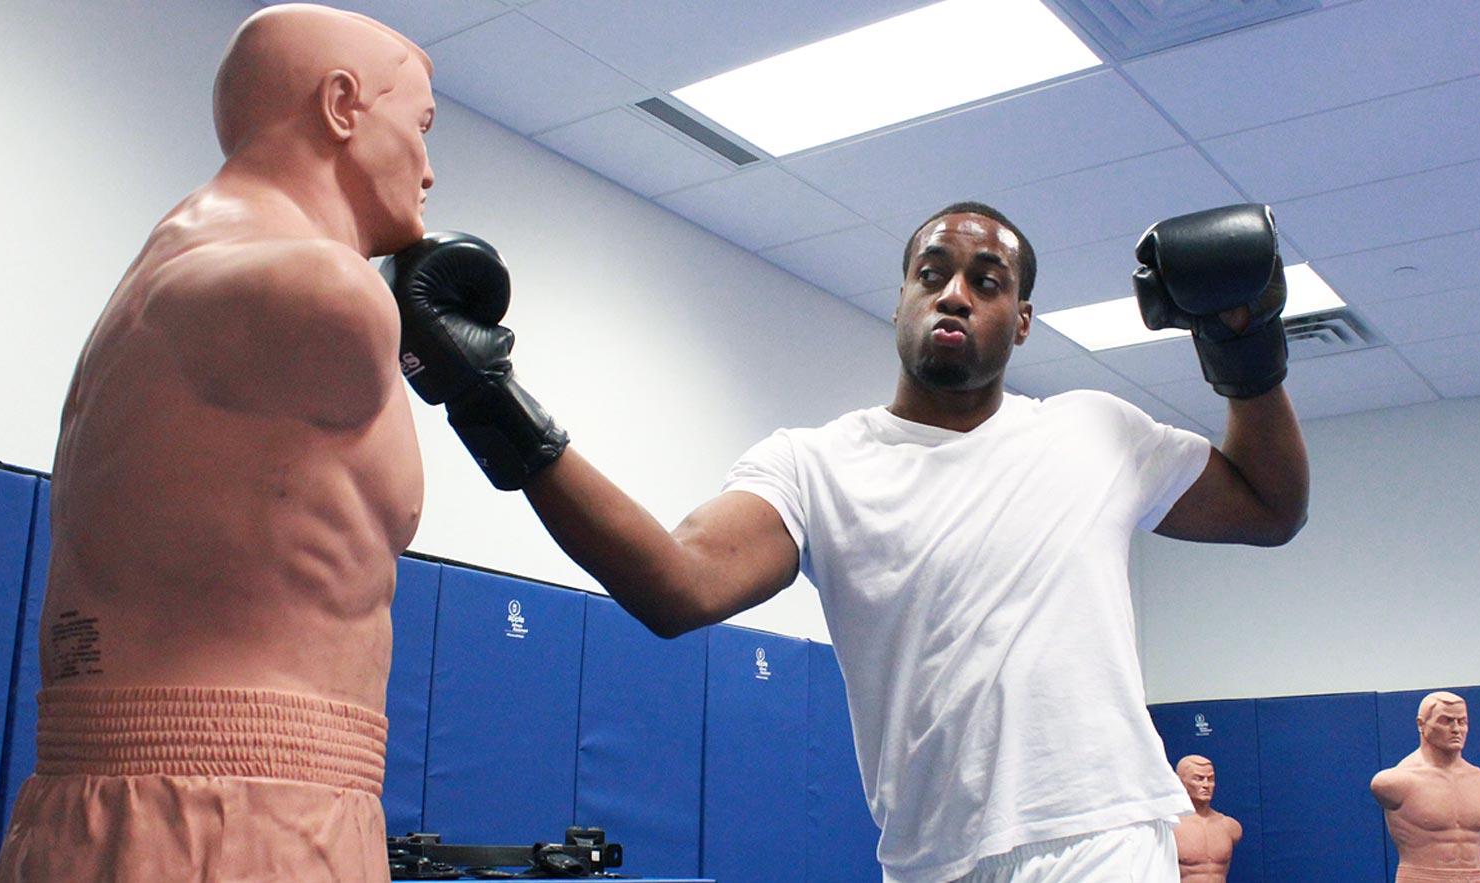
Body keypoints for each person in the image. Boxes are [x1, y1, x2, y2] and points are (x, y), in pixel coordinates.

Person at [391, 201, 1308, 882]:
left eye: (988, 281)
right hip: (929, 859)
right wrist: (483, 395)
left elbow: (1270, 505)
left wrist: (1245, 346)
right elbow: (675, 586)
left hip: (1099, 836)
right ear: (903, 296)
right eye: (933, 271)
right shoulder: (816, 465)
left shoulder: (1092, 430)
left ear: (1021, 321)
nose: (955, 290)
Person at [0, 5, 436, 881]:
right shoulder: (322, 294)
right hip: (238, 818)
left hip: (132, 806)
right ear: (343, 105)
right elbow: (342, 322)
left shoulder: (169, 271)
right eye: (419, 127)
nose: (429, 170)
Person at [1370, 692, 1480, 883]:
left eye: (1462, 721)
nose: (1456, 729)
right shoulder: (1395, 783)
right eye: (1446, 721)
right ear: (1421, 724)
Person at [1172, 755, 1242, 882]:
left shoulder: (1230, 827)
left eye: (1210, 779)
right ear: (1180, 782)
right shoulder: (1170, 827)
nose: (1206, 785)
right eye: (1198, 779)